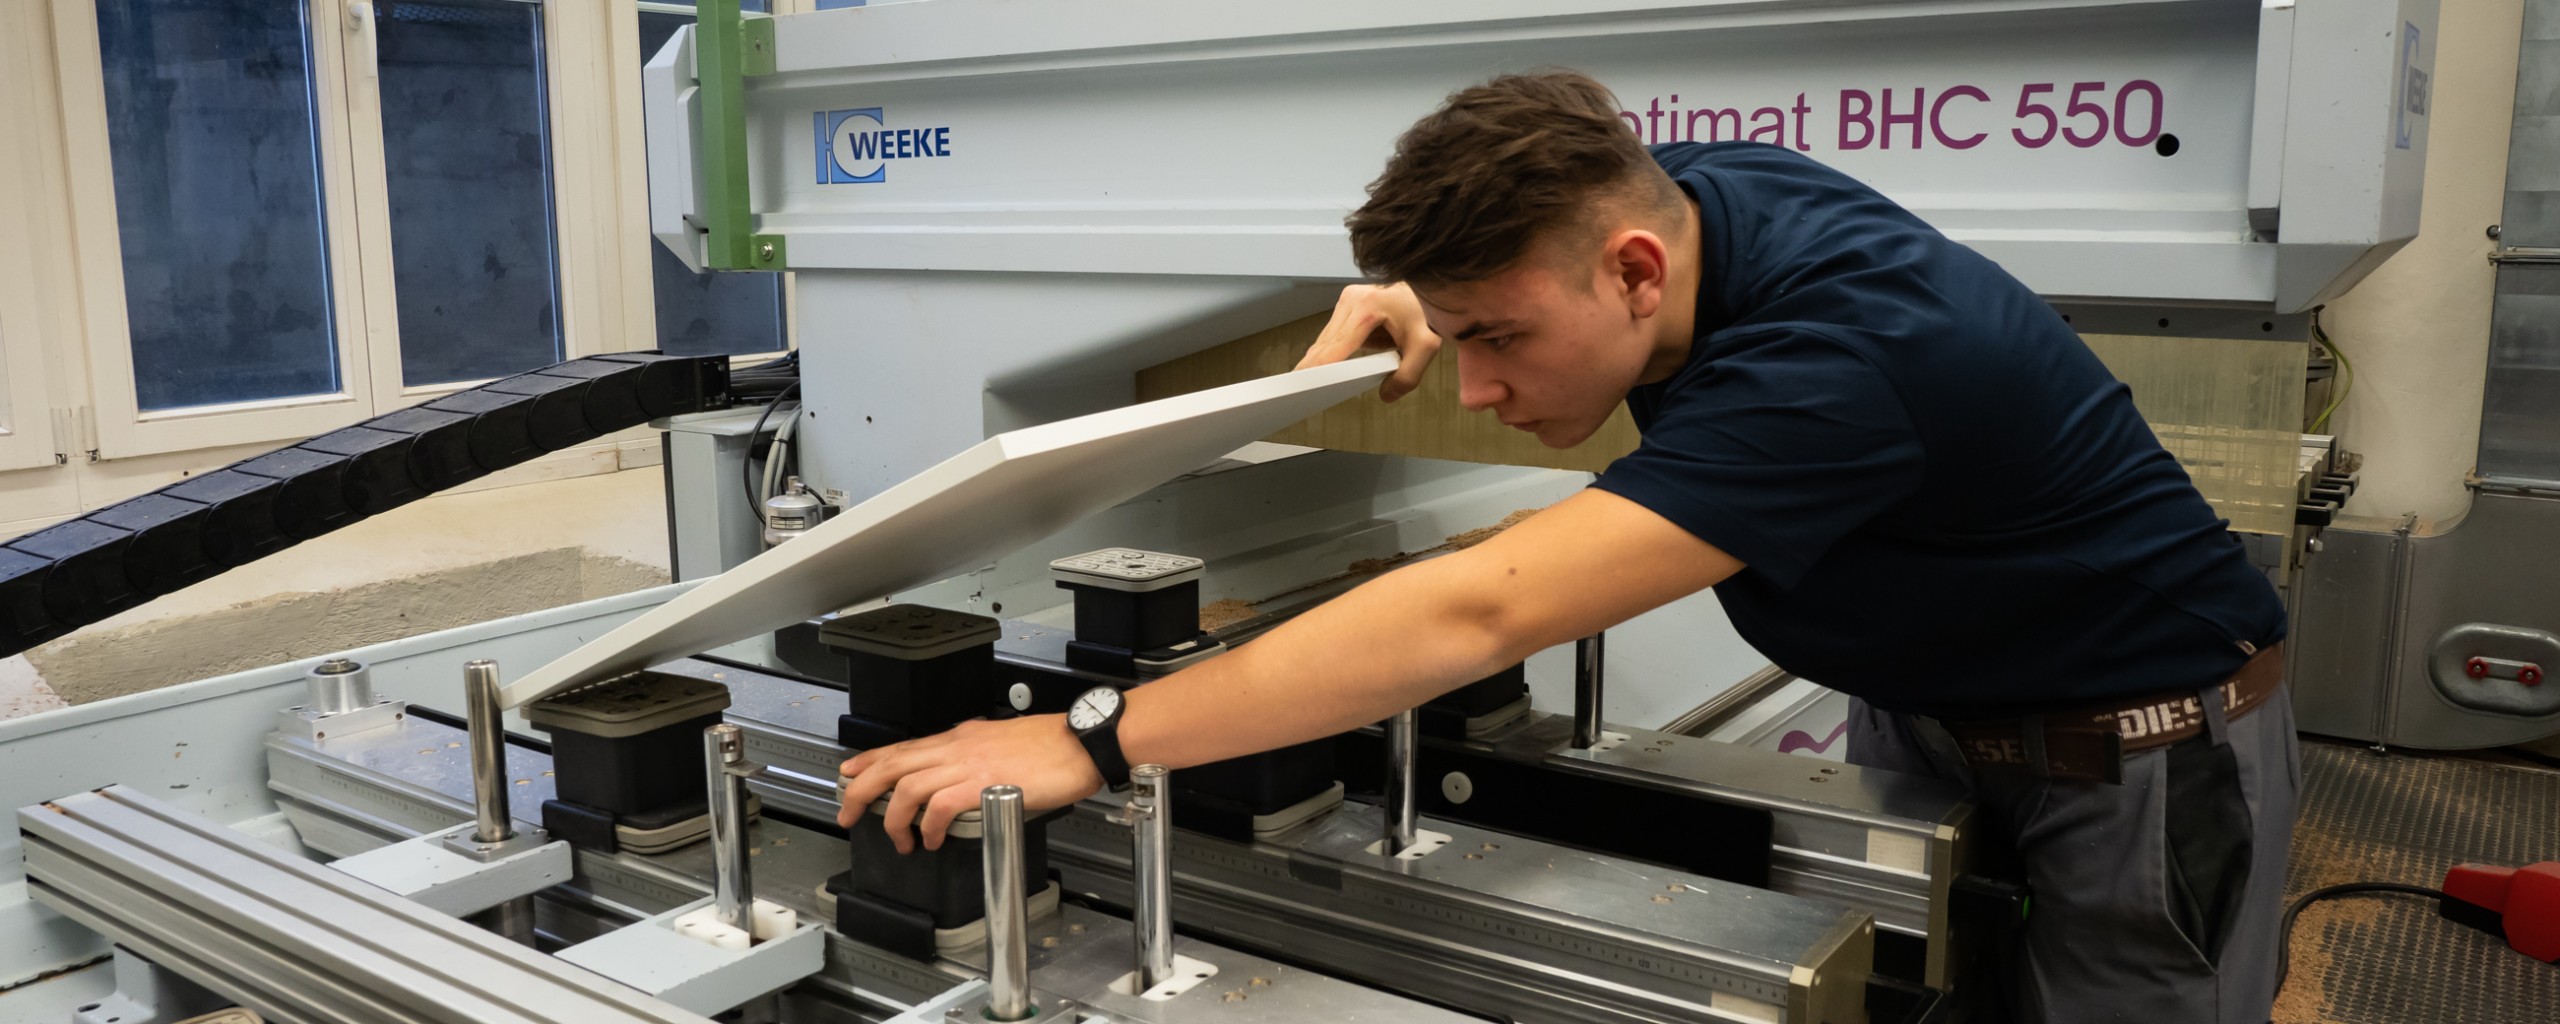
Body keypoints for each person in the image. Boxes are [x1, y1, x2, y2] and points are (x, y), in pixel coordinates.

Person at [836, 70, 2297, 1024]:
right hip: (1932, 709)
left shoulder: (1846, 358)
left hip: (2136, 756)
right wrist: (1421, 302)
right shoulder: (1685, 202)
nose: (1473, 388)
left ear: (1636, 271)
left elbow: (1475, 616)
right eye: (1456, 335)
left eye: (1497, 338)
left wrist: (1091, 739)